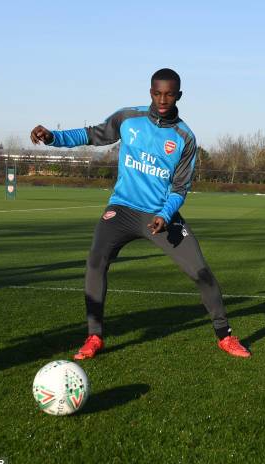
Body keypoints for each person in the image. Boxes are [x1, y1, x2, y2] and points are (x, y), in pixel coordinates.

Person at [30, 68, 250, 359]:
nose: (162, 99)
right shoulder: (127, 118)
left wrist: (165, 215)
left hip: (160, 217)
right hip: (121, 210)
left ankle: (225, 336)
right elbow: (92, 135)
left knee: (201, 272)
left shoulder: (185, 137)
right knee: (96, 262)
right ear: (150, 93)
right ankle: (94, 336)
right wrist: (53, 137)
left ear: (178, 96)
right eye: (157, 93)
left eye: (169, 94)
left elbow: (180, 188)